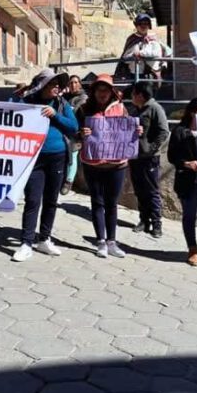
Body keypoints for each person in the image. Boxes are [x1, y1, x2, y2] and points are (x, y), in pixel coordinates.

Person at [15, 69, 79, 262]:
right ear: (42, 85)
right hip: (33, 158)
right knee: (33, 200)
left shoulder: (61, 104)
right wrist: (16, 97)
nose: (57, 87)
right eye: (53, 84)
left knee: (51, 200)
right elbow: (9, 114)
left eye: (59, 84)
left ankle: (44, 239)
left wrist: (55, 116)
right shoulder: (28, 101)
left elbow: (73, 127)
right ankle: (26, 242)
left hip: (57, 156)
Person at [77, 73, 141, 259]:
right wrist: (81, 133)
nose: (102, 93)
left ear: (111, 91)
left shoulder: (121, 109)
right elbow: (73, 132)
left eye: (105, 90)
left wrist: (137, 130)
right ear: (94, 91)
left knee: (112, 204)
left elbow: (128, 129)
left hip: (116, 165)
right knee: (97, 202)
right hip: (92, 164)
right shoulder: (84, 109)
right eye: (99, 90)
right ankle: (100, 242)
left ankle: (111, 241)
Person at [167, 97, 197, 267]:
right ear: (192, 113)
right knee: (189, 215)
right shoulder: (180, 132)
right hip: (187, 181)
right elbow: (172, 156)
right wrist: (187, 164)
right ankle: (192, 250)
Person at [128, 82, 169, 238]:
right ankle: (144, 220)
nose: (131, 97)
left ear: (140, 95)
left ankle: (157, 223)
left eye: (133, 93)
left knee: (152, 191)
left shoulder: (155, 109)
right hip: (135, 156)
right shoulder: (135, 110)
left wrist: (151, 148)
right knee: (139, 190)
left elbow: (164, 132)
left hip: (149, 158)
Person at [115, 14, 167, 89]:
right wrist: (133, 56)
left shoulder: (153, 39)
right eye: (140, 23)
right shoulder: (132, 39)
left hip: (150, 73)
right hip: (134, 73)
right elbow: (125, 58)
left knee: (149, 93)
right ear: (136, 25)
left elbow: (157, 53)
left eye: (146, 23)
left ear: (149, 25)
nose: (143, 26)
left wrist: (140, 54)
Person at [60, 75, 88, 195]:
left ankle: (69, 181)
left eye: (76, 82)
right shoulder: (65, 97)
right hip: (63, 130)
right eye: (71, 83)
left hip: (76, 132)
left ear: (80, 84)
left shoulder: (83, 98)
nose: (73, 85)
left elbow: (74, 112)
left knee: (73, 154)